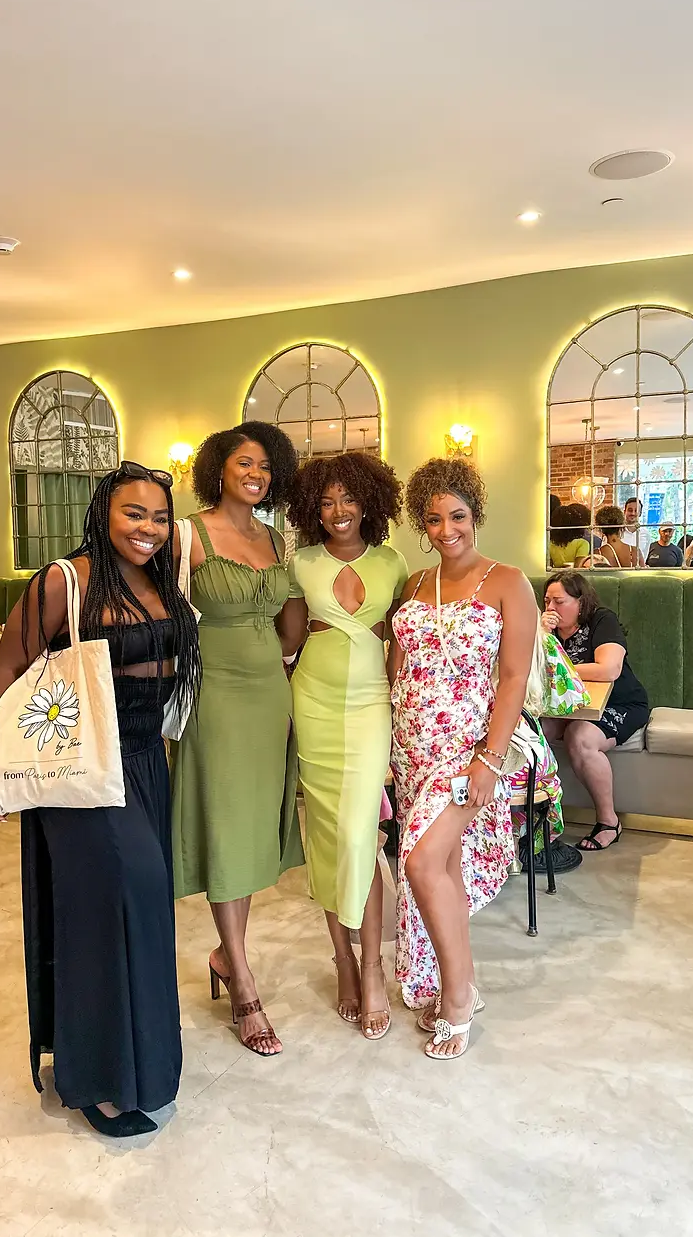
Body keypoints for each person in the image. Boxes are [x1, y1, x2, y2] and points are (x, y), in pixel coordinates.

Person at [0, 462, 201, 1138]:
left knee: (140, 913)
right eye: (135, 513)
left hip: (143, 762)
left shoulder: (163, 579)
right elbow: (6, 671)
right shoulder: (63, 581)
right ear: (103, 511)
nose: (149, 529)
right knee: (122, 900)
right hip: (79, 769)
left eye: (160, 517)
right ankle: (103, 1077)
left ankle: (142, 1063)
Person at [388, 457, 536, 1059]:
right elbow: (397, 668)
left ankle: (456, 996)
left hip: (469, 750)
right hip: (410, 749)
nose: (446, 529)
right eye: (434, 519)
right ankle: (457, 986)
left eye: (458, 516)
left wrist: (489, 760)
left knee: (422, 862)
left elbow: (514, 676)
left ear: (476, 515)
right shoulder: (414, 584)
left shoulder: (508, 582)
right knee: (437, 870)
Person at [172, 420, 303, 1057]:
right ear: (218, 468)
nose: (256, 475)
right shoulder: (188, 533)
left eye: (265, 466)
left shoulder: (276, 539)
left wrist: (277, 659)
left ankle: (228, 953)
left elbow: (291, 619)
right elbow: (161, 612)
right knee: (226, 824)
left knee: (251, 826)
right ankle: (245, 989)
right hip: (214, 695)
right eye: (244, 464)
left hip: (269, 693)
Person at [279, 452, 408, 1040]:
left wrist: (403, 702)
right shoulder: (300, 561)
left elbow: (401, 638)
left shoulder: (392, 561)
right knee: (328, 836)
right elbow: (288, 636)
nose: (338, 512)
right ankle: (344, 960)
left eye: (348, 499)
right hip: (314, 699)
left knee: (362, 833)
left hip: (371, 703)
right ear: (313, 508)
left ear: (369, 502)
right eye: (326, 502)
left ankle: (374, 966)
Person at [540, 570, 650, 851]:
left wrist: (560, 669)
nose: (552, 609)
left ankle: (609, 821)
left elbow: (608, 668)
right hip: (567, 707)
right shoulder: (546, 632)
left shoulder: (602, 620)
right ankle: (538, 818)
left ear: (581, 602)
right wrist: (542, 636)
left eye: (559, 601)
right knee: (534, 733)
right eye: (547, 601)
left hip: (619, 704)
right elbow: (529, 670)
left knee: (581, 738)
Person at [548, 503, 592, 568]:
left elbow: (549, 568)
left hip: (557, 576)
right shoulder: (582, 544)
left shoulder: (549, 544)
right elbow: (578, 567)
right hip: (574, 577)